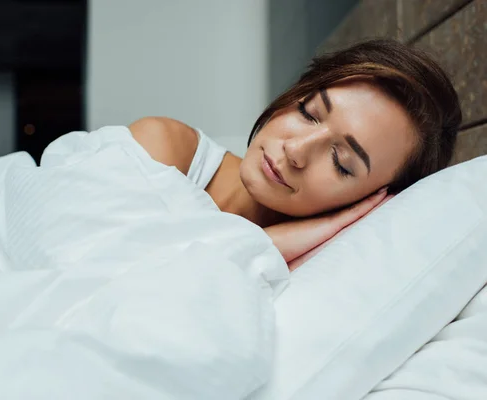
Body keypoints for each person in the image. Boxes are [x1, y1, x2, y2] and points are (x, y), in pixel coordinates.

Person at [128, 39, 461, 270]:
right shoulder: (160, 148)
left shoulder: (318, 265)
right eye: (309, 112)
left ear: (371, 201)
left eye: (340, 163)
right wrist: (262, 242)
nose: (296, 149)